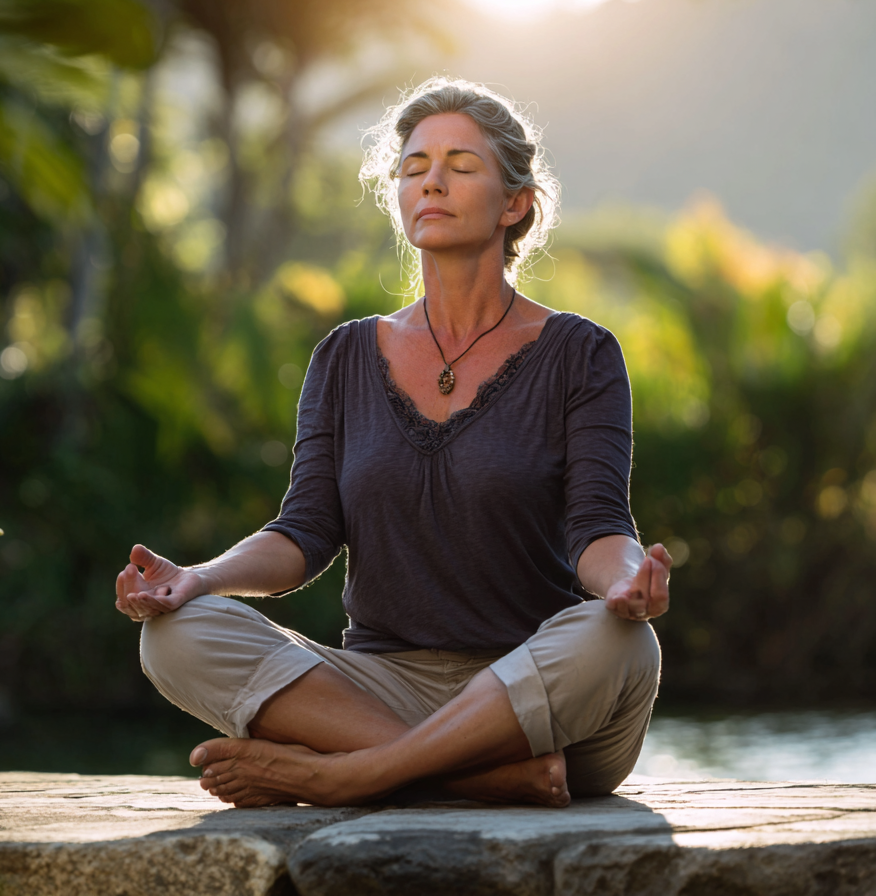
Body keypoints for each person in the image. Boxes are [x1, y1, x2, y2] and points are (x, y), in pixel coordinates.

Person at [115, 77, 671, 810]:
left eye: (460, 166)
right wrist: (196, 578)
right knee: (174, 635)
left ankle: (347, 775)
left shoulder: (580, 353)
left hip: (531, 692)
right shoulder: (344, 356)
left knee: (620, 641)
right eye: (413, 168)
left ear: (515, 204)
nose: (431, 181)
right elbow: (304, 532)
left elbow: (598, 525)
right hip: (377, 688)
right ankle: (478, 778)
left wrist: (628, 581)